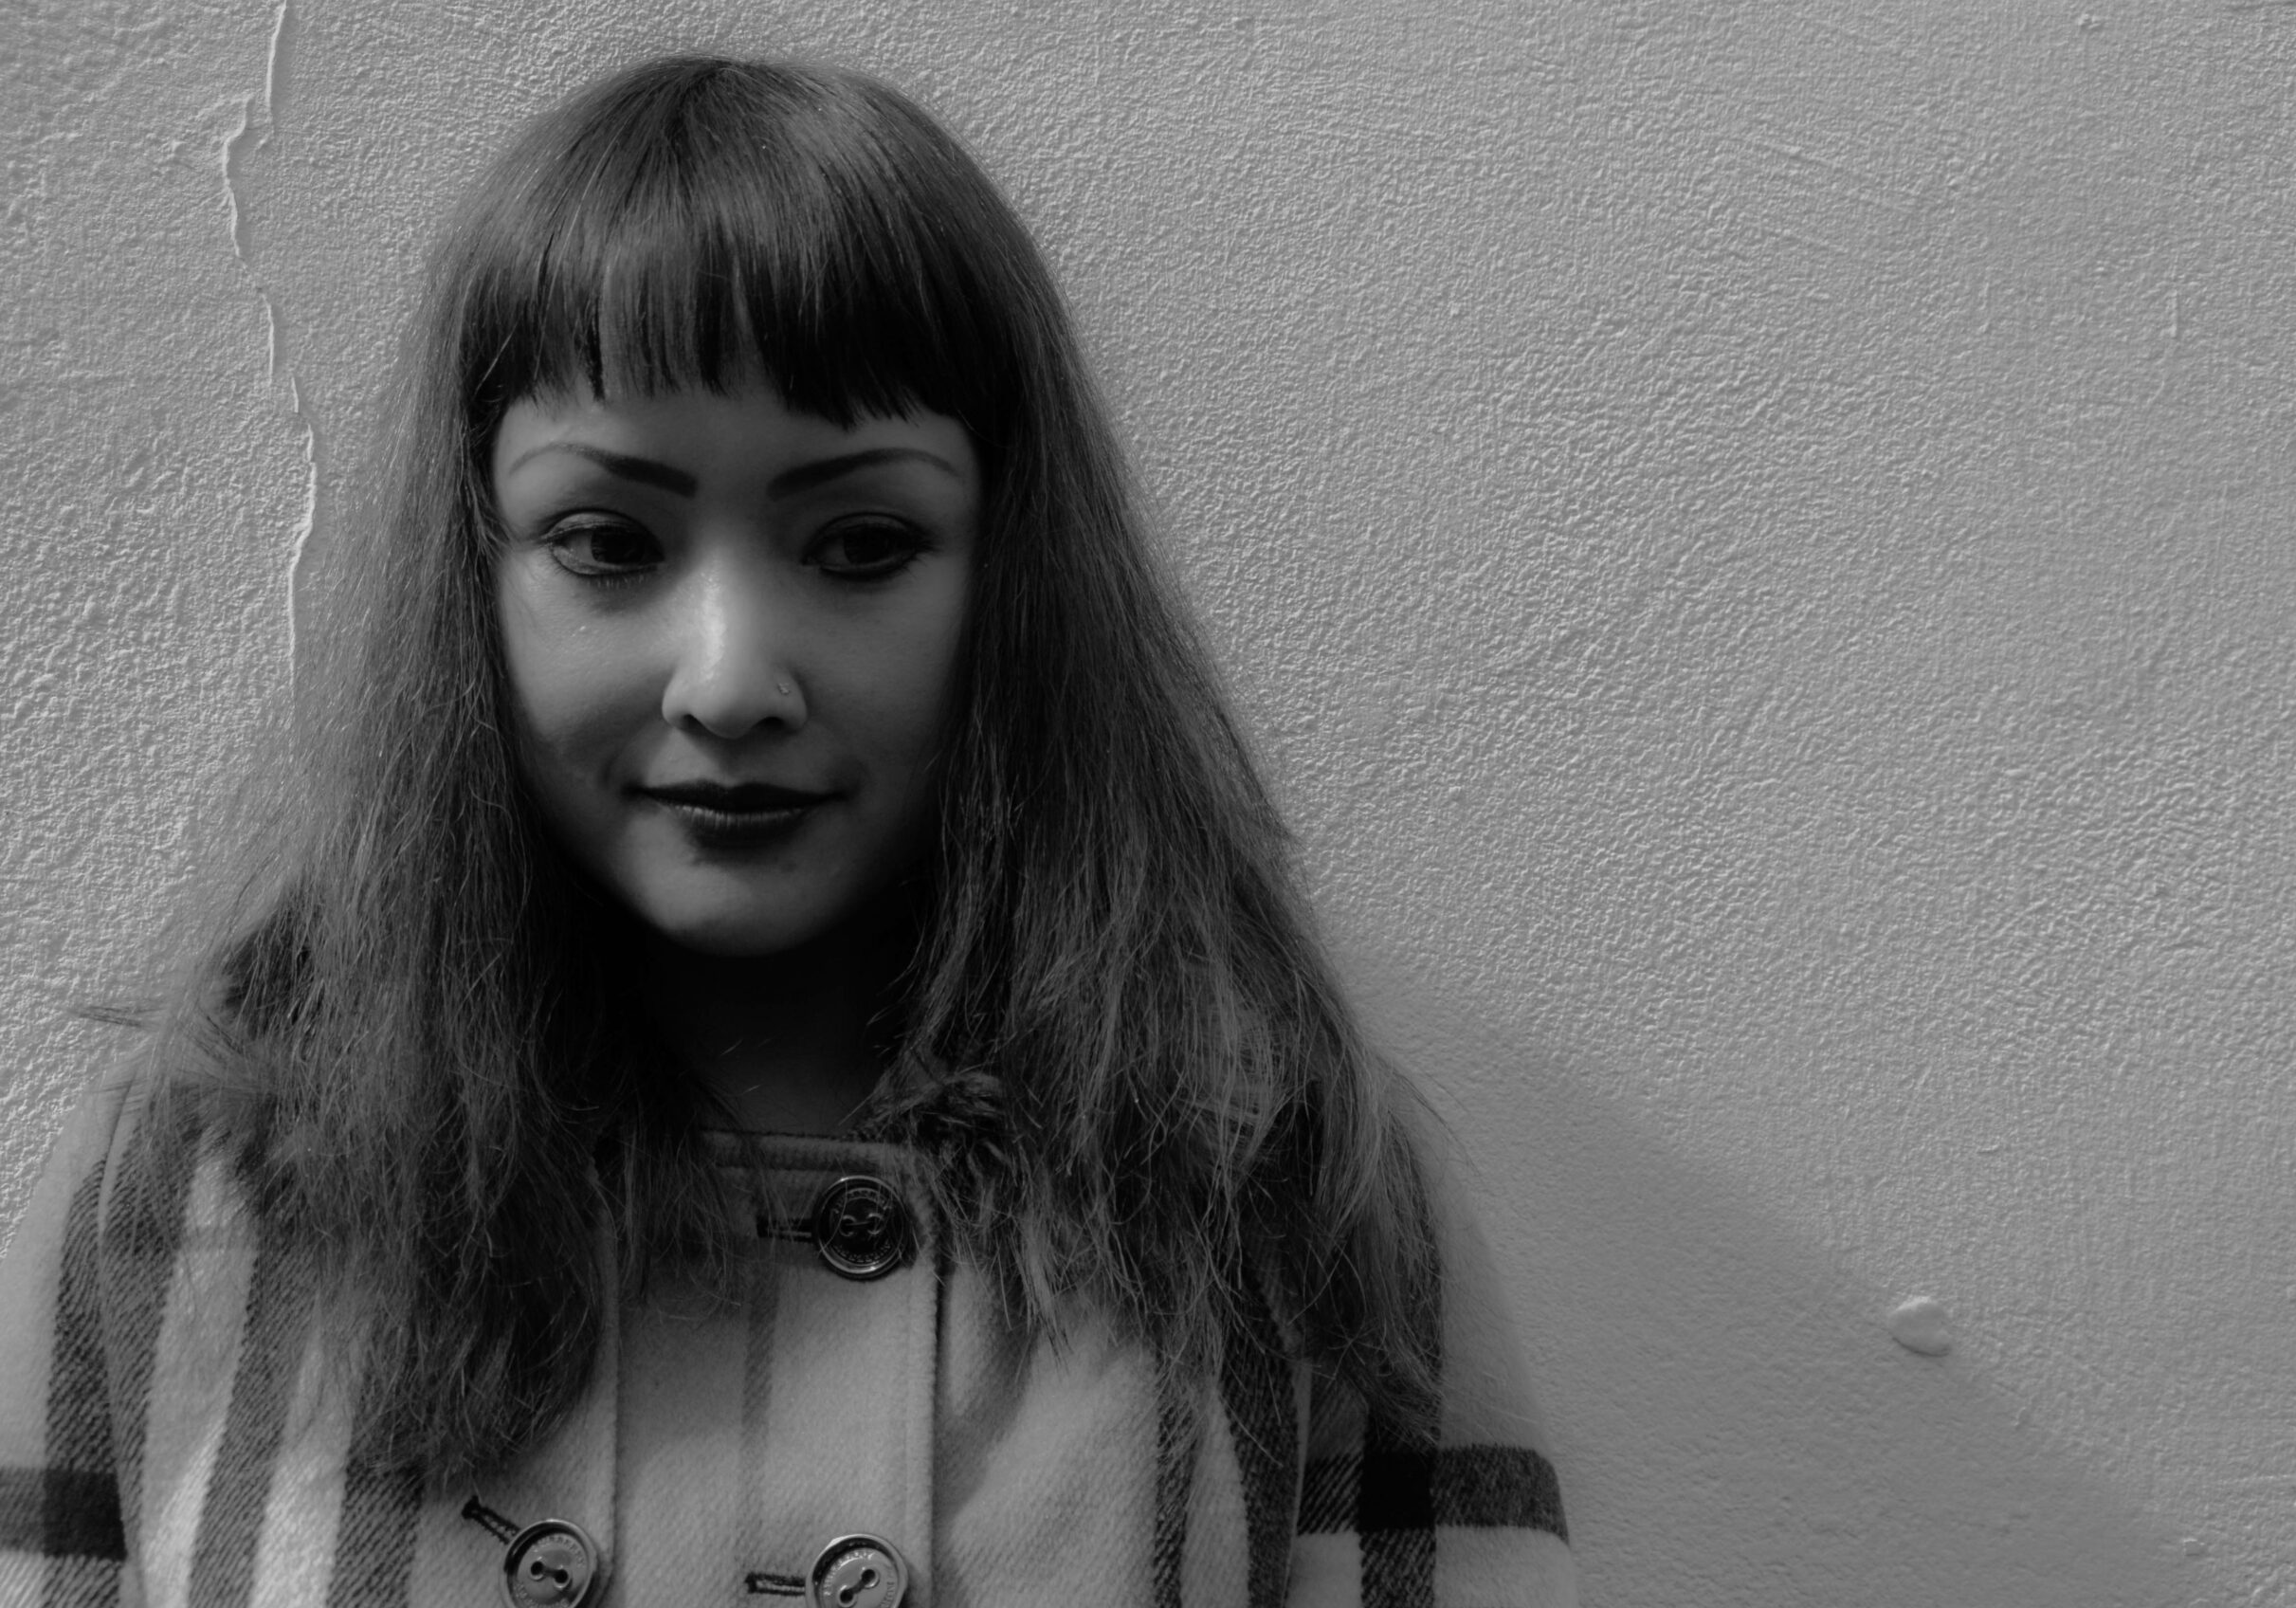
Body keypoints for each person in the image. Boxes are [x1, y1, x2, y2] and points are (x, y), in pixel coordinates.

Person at [0, 55, 1576, 1608]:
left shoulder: (1280, 1185)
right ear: (473, 574)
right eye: (607, 542)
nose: (732, 680)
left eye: (864, 543)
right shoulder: (204, 1175)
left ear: (1011, 576)